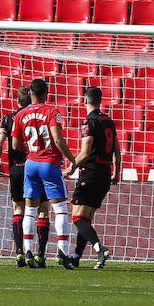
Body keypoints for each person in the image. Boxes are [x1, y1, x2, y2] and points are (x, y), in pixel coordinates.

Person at [11, 78, 78, 269]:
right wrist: (72, 160)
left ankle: (28, 251)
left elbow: (15, 145)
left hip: (30, 163)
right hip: (49, 163)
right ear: (46, 94)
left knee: (29, 210)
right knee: (60, 209)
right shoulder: (52, 112)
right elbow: (57, 139)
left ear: (30, 93)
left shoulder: (20, 115)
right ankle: (62, 252)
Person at [0, 85, 51, 266]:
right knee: (42, 210)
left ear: (17, 101)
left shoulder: (8, 118)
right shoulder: (40, 116)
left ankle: (19, 252)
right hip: (38, 165)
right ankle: (40, 253)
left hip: (17, 168)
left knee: (19, 209)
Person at [64, 85, 120, 269]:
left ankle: (99, 249)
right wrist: (116, 173)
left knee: (77, 218)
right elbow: (116, 151)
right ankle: (75, 257)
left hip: (91, 173)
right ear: (100, 101)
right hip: (105, 174)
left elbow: (85, 152)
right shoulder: (109, 121)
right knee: (86, 219)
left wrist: (71, 167)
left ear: (85, 101)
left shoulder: (89, 124)